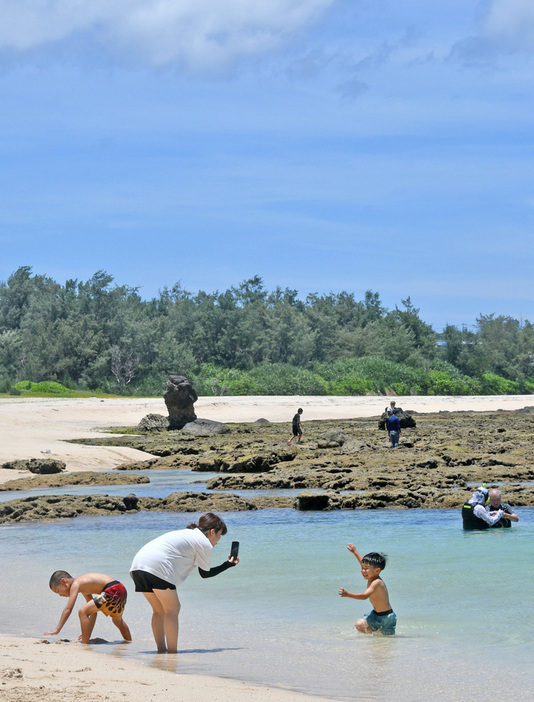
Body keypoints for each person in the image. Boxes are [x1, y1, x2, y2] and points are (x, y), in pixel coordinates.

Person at [129, 512, 239, 654]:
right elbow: (205, 574)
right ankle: (173, 653)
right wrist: (228, 565)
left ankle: (161, 650)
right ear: (212, 532)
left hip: (138, 566)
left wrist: (226, 565)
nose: (218, 540)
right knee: (173, 610)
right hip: (157, 566)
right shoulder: (204, 543)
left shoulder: (187, 534)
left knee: (159, 611)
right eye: (219, 535)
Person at [44, 571, 131, 644]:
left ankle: (85, 645)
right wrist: (87, 633)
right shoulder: (84, 588)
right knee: (118, 621)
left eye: (58, 591)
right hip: (121, 589)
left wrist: (57, 629)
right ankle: (129, 643)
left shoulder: (76, 584)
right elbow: (93, 613)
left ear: (63, 582)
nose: (60, 595)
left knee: (82, 611)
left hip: (112, 589)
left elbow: (68, 609)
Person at [338, 543, 396, 636]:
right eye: (362, 568)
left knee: (387, 640)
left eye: (366, 569)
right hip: (375, 614)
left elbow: (365, 596)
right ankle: (375, 637)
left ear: (377, 570)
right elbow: (363, 562)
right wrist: (355, 552)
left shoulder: (377, 582)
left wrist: (348, 594)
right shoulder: (371, 576)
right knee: (359, 625)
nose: (363, 571)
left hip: (387, 618)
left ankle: (380, 639)